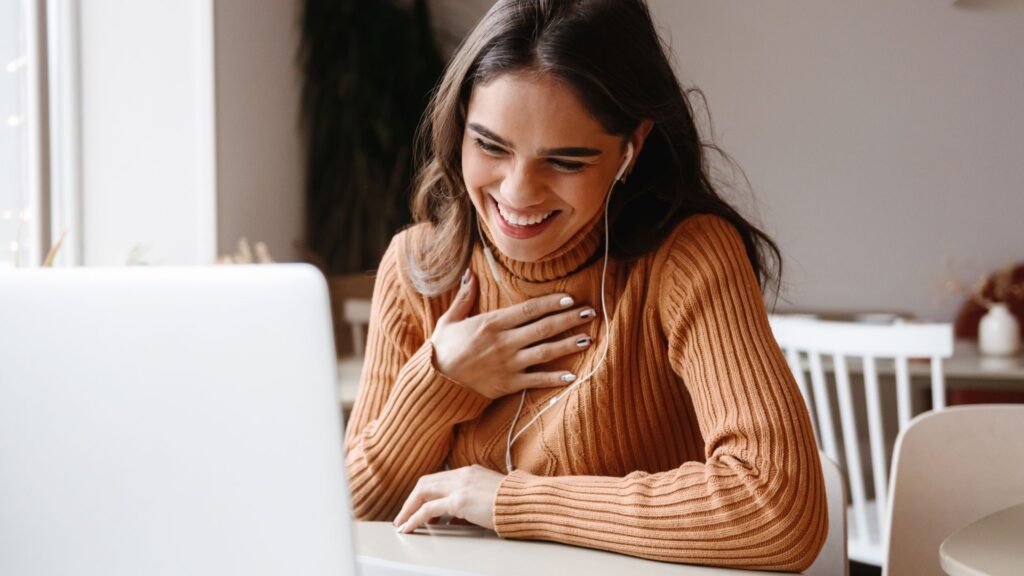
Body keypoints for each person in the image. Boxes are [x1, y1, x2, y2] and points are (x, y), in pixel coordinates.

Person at [344, 0, 826, 571]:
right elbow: (345, 510)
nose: (518, 193)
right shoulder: (418, 265)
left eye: (566, 161)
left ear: (631, 148)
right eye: (490, 146)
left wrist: (509, 500)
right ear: (459, 126)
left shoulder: (688, 258)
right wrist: (439, 382)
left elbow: (776, 508)